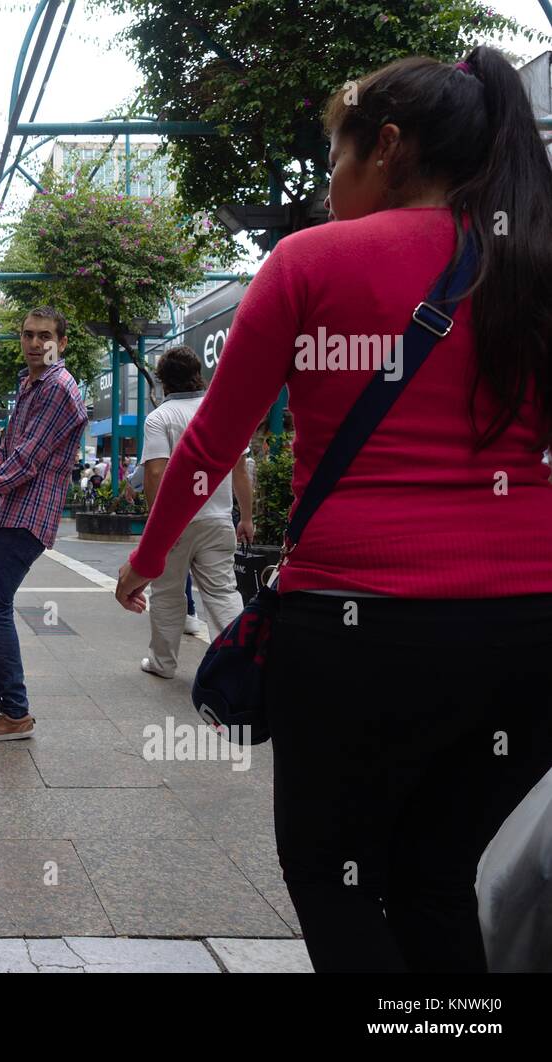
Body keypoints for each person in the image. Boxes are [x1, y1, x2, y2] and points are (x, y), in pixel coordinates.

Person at [115, 48, 552, 972]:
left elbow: (209, 446)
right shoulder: (533, 267)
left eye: (336, 157)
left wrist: (148, 558)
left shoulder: (309, 262)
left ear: (387, 146)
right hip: (531, 629)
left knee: (336, 877)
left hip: (361, 623)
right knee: (437, 876)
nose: (326, 183)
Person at [0, 306, 87, 740]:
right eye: (27, 335)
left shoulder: (57, 389)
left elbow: (27, 460)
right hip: (13, 511)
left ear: (61, 343)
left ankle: (15, 712)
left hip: (30, 512)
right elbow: (8, 449)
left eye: (44, 336)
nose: (34, 343)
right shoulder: (31, 384)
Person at [136, 345, 253, 677]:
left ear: (162, 381)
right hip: (218, 519)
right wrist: (246, 517)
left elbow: (155, 473)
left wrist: (156, 525)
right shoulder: (222, 412)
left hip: (176, 523)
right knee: (222, 592)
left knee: (167, 593)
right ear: (197, 373)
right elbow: (240, 470)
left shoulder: (160, 418)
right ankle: (236, 665)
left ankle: (163, 663)